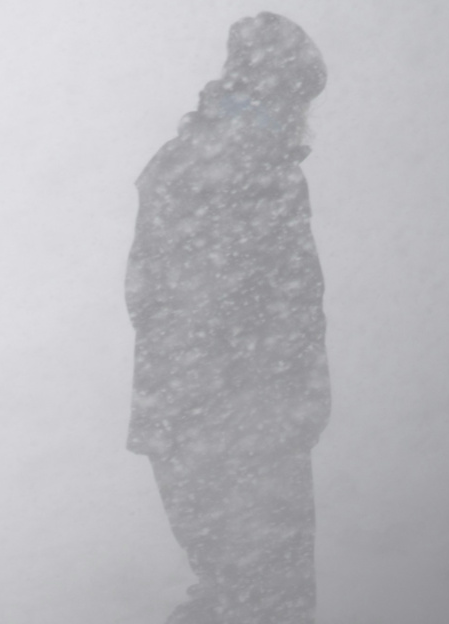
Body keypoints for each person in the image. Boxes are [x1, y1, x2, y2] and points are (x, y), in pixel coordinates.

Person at [124, 13, 330, 624]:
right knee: (268, 599)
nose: (306, 119)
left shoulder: (186, 161)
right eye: (301, 98)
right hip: (243, 430)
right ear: (281, 91)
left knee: (236, 594)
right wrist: (274, 402)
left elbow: (149, 296)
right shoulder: (252, 171)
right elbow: (249, 310)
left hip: (197, 423)